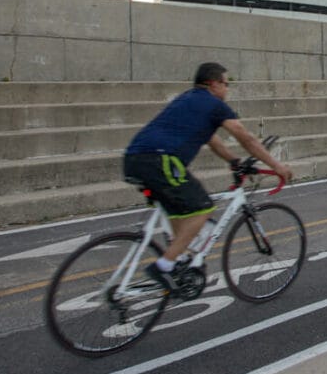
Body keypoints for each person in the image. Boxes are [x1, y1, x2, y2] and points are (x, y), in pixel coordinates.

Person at [123, 62, 294, 291]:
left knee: (181, 209)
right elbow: (247, 138)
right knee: (202, 209)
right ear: (213, 84)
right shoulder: (213, 104)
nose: (227, 89)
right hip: (160, 161)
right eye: (226, 83)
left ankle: (180, 259)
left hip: (135, 160)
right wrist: (277, 166)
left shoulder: (187, 100)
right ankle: (164, 265)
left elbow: (212, 140)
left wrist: (233, 161)